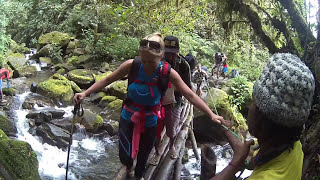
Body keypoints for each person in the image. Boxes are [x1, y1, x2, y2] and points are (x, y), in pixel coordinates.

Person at [73, 33, 223, 180]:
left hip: (150, 119)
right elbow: (108, 79)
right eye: (144, 61)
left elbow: (190, 95)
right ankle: (129, 166)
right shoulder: (132, 65)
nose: (147, 64)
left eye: (150, 62)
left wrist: (211, 114)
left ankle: (138, 175)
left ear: (160, 55)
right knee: (124, 154)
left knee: (144, 155)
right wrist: (85, 93)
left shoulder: (168, 72)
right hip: (128, 115)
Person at [211, 53, 315, 180]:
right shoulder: (292, 146)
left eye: (253, 101)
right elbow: (252, 158)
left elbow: (245, 159)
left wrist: (234, 164)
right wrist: (228, 132)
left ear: (262, 117)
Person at [153, 35, 193, 160]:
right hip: (157, 98)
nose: (170, 57)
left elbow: (187, 86)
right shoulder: (155, 61)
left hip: (176, 99)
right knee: (155, 126)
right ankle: (156, 148)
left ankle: (171, 146)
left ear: (178, 52)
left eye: (173, 54)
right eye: (167, 53)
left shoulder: (183, 65)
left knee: (172, 126)